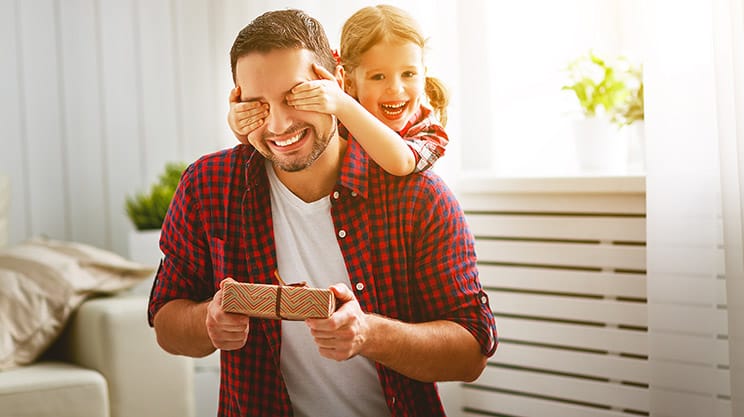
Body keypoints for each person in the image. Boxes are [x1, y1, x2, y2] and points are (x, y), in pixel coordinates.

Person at [147, 8, 497, 417]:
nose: (279, 125)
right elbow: (166, 321)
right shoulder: (209, 185)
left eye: (297, 97)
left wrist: (369, 333)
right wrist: (207, 319)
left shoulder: (419, 196)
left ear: (337, 85)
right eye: (257, 106)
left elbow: (472, 351)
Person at [227, 4, 449, 176]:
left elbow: (402, 164)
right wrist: (241, 124)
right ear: (349, 82)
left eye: (408, 74)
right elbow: (276, 134)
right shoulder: (331, 107)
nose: (395, 88)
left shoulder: (427, 130)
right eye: (378, 76)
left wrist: (342, 103)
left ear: (423, 72)